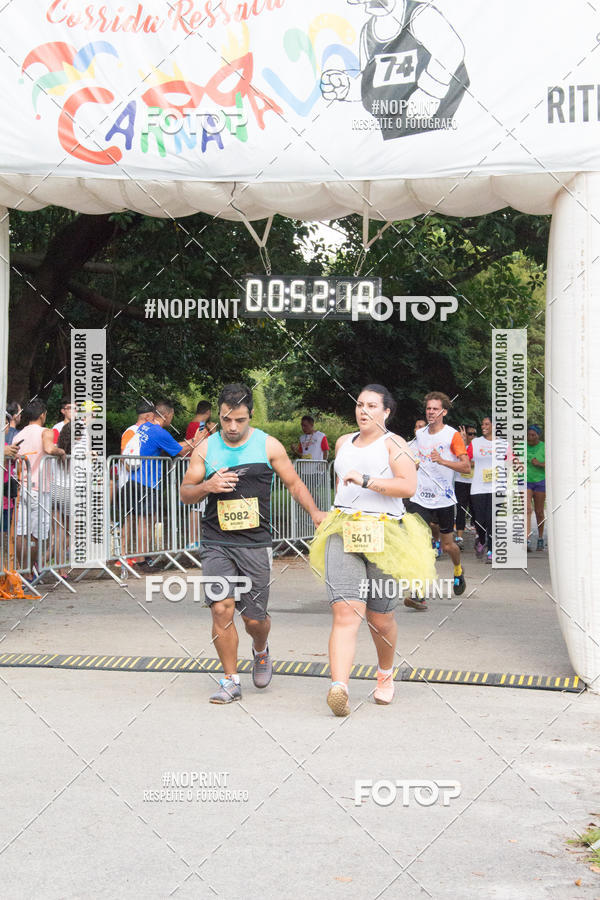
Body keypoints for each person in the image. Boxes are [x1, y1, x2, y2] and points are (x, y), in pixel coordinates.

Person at [180, 383, 326, 705]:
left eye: (240, 420)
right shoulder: (206, 448)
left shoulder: (268, 445)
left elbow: (293, 482)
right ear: (219, 416)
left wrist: (315, 513)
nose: (233, 427)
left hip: (255, 544)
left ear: (251, 417)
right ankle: (230, 680)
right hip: (216, 541)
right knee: (221, 609)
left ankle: (260, 649)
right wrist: (208, 485)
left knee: (254, 620)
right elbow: (185, 492)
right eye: (227, 420)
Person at [309, 384, 436, 716]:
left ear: (386, 412)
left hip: (385, 532)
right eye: (359, 405)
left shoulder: (395, 444)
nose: (362, 410)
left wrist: (366, 480)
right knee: (345, 611)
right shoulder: (342, 443)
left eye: (371, 406)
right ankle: (340, 687)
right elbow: (342, 485)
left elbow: (408, 486)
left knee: (380, 618)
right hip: (344, 529)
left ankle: (385, 674)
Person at [408, 392, 470, 605]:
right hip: (420, 498)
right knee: (419, 543)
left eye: (435, 409)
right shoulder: (420, 434)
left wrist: (443, 461)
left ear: (443, 411)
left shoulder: (451, 436)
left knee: (447, 546)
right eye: (428, 408)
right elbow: (411, 457)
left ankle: (458, 569)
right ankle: (418, 591)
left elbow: (466, 466)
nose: (431, 412)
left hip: (443, 499)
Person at [131, 400, 199, 562]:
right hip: (145, 481)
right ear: (167, 415)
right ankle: (141, 560)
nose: (172, 420)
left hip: (136, 479)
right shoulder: (159, 432)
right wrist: (195, 442)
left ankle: (145, 556)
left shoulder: (146, 427)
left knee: (150, 518)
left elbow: (173, 446)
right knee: (145, 521)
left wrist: (192, 442)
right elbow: (181, 451)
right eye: (172, 416)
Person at [11, 400, 65, 572]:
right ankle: (30, 570)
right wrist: (61, 452)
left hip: (23, 487)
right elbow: (49, 449)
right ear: (43, 414)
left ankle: (24, 569)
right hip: (41, 489)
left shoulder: (18, 435)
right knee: (38, 534)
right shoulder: (46, 432)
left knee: (21, 532)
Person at [468, 416, 508, 564]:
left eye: (486, 424)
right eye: (482, 424)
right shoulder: (476, 442)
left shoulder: (504, 444)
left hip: (497, 487)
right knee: (479, 520)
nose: (483, 426)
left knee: (492, 520)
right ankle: (481, 540)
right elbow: (466, 459)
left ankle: (491, 551)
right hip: (478, 486)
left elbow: (511, 462)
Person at [454, 424, 477, 545]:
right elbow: (464, 463)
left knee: (476, 510)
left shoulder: (478, 447)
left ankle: (479, 536)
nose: (472, 436)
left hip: (475, 482)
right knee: (461, 509)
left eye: (474, 434)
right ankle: (459, 537)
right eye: (470, 434)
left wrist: (469, 463)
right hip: (461, 482)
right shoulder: (459, 447)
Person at [526, 424, 546, 552]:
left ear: (538, 436)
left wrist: (539, 463)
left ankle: (540, 538)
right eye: (528, 434)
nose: (530, 437)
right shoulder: (522, 446)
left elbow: (551, 463)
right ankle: (526, 539)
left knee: (539, 512)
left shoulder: (544, 447)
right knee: (527, 510)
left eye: (533, 435)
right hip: (526, 481)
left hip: (540, 481)